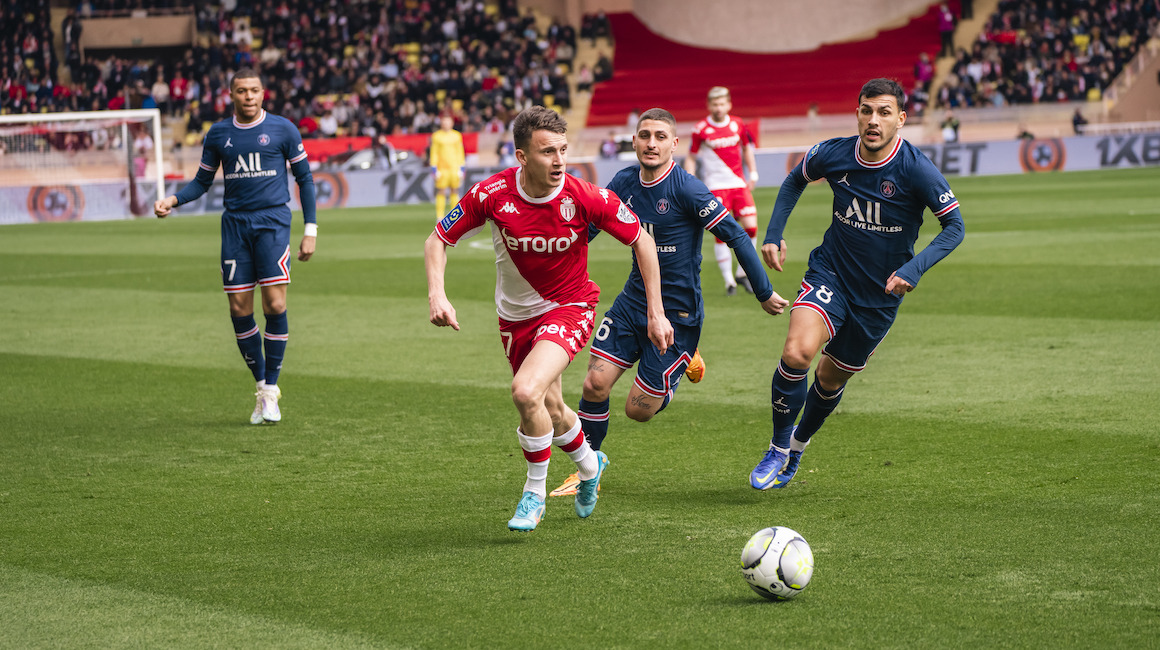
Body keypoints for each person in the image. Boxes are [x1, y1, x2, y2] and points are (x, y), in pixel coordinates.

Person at [425, 106, 673, 532]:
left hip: (570, 307)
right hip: (514, 319)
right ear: (522, 157)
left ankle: (533, 494)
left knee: (525, 392)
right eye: (547, 152)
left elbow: (642, 241)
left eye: (563, 150)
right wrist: (438, 294)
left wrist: (656, 312)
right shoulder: (492, 194)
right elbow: (437, 239)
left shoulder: (584, 196)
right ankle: (590, 466)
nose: (559, 161)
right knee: (553, 409)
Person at [548, 108, 790, 498]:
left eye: (660, 136)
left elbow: (737, 236)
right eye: (645, 135)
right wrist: (553, 257)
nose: (651, 143)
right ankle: (588, 465)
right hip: (632, 302)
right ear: (634, 141)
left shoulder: (688, 189)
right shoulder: (624, 181)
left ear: (674, 144)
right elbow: (588, 227)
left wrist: (762, 292)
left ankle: (686, 360)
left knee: (637, 410)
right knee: (594, 383)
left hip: (678, 314)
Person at [749, 78, 965, 490]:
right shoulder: (835, 152)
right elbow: (796, 179)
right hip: (830, 272)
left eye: (884, 112)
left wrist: (913, 270)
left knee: (829, 380)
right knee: (797, 353)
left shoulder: (916, 168)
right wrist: (774, 232)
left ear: (900, 119)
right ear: (857, 113)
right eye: (867, 110)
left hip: (878, 298)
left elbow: (954, 227)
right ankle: (777, 446)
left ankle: (797, 445)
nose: (873, 120)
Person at [153, 68, 317, 425]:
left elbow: (305, 179)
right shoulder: (219, 134)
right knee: (239, 310)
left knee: (274, 303)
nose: (249, 96)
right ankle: (261, 388)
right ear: (231, 94)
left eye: (254, 90)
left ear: (263, 93)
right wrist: (174, 200)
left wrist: (311, 230)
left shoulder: (283, 129)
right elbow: (202, 182)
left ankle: (272, 391)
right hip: (235, 227)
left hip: (273, 222)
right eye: (242, 91)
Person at [682, 86, 761, 296]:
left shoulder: (737, 123)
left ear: (729, 104)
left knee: (751, 228)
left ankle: (741, 273)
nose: (718, 108)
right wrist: (690, 181)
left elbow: (747, 148)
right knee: (721, 234)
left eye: (722, 103)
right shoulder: (700, 129)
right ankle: (729, 282)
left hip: (738, 184)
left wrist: (753, 173)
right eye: (714, 104)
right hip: (715, 187)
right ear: (709, 106)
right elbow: (691, 156)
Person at [429, 114, 465, 220]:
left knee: (455, 191)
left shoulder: (457, 136)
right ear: (441, 123)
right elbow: (434, 152)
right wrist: (434, 167)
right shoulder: (436, 136)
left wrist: (462, 167)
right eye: (444, 122)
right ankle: (439, 216)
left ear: (452, 123)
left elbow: (460, 152)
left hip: (454, 168)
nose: (446, 124)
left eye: (448, 121)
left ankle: (454, 216)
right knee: (441, 191)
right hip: (442, 169)